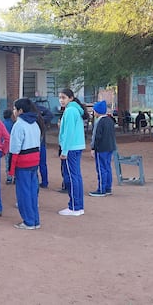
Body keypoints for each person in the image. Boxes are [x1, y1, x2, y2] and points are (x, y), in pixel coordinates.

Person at [9, 98, 42, 230]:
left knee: (24, 193)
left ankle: (28, 221)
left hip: (22, 162)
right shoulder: (35, 123)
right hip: (34, 161)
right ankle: (35, 220)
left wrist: (11, 170)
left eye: (15, 109)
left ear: (20, 110)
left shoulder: (19, 125)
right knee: (33, 191)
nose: (13, 111)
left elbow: (14, 149)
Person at [58, 88, 87, 217]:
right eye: (60, 97)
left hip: (71, 148)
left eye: (63, 97)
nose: (61, 100)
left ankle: (74, 206)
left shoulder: (70, 111)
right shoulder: (75, 110)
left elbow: (69, 132)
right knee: (76, 176)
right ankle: (78, 206)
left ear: (71, 98)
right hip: (76, 146)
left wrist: (64, 150)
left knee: (71, 177)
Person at [89, 100, 117, 197]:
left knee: (101, 169)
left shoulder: (99, 121)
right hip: (110, 147)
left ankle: (101, 189)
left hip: (101, 148)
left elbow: (96, 136)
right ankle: (108, 188)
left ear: (97, 111)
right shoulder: (110, 120)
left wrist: (93, 148)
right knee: (107, 167)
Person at [2, 108, 15, 184]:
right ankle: (15, 177)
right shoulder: (13, 124)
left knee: (7, 162)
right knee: (14, 161)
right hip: (13, 145)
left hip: (6, 146)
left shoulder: (2, 123)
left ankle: (9, 178)